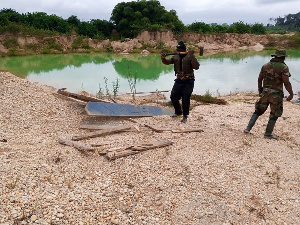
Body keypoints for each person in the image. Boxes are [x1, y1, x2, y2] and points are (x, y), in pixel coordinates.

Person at [244, 49, 294, 139]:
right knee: (275, 113)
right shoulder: (284, 67)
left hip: (265, 92)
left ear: (274, 56)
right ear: (283, 57)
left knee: (258, 110)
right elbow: (286, 82)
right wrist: (291, 94)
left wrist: (260, 90)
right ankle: (268, 134)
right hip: (276, 94)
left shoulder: (265, 66)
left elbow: (260, 79)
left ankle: (248, 128)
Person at [161, 41, 200, 123]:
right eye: (178, 49)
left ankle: (185, 116)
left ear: (184, 49)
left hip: (189, 81)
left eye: (180, 49)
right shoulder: (176, 57)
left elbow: (196, 67)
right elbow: (167, 62)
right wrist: (163, 58)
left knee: (185, 98)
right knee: (173, 97)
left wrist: (192, 55)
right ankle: (178, 111)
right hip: (179, 80)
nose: (179, 51)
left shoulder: (190, 56)